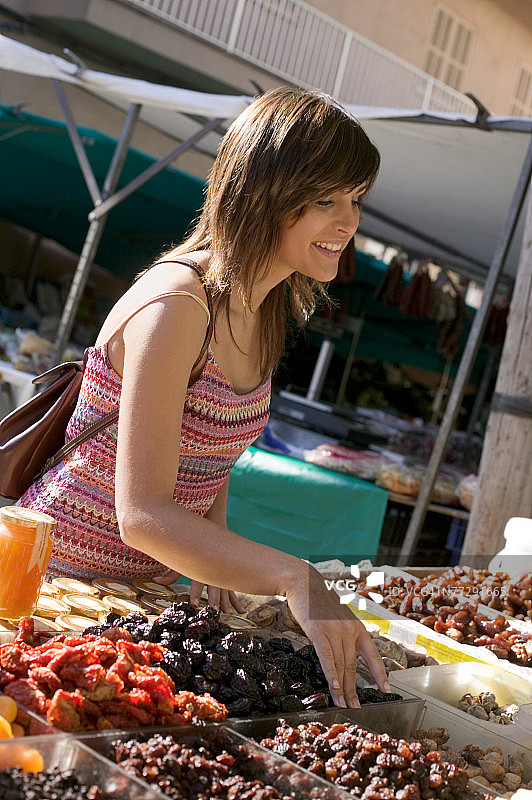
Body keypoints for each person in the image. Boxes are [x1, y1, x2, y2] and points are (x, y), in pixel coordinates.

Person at [17, 86, 389, 707]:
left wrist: (212, 562)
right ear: (265, 193)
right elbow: (141, 513)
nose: (348, 223)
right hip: (55, 589)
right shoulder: (178, 303)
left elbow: (205, 456)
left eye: (355, 200)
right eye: (327, 200)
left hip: (136, 606)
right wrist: (292, 577)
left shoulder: (265, 310)